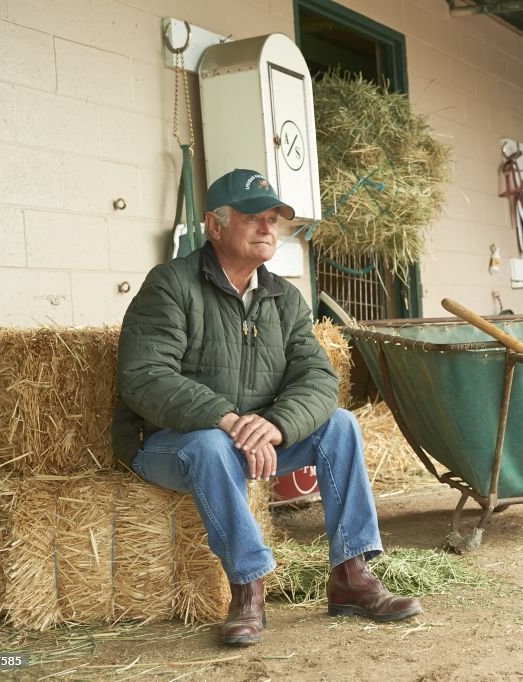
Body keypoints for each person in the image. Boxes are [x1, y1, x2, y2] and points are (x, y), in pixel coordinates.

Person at [112, 169, 421, 646]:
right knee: (212, 445)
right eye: (254, 218)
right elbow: (145, 377)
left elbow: (318, 379)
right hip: (166, 445)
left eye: (274, 219)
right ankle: (248, 588)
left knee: (339, 425)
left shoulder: (284, 298)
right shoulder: (171, 285)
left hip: (253, 439)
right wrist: (229, 419)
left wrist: (275, 425)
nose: (268, 228)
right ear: (215, 226)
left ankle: (351, 574)